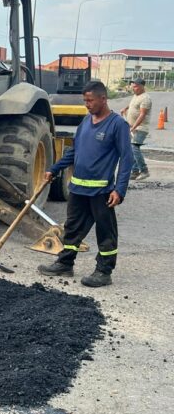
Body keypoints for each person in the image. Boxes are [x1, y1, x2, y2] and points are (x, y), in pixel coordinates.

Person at [38, 80, 133, 287]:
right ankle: (65, 263)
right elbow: (74, 151)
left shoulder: (118, 125)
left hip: (102, 191)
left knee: (105, 232)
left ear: (103, 99)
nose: (87, 104)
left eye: (90, 100)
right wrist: (54, 169)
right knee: (72, 228)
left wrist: (120, 189)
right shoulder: (85, 123)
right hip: (78, 188)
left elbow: (127, 159)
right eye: (85, 100)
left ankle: (104, 272)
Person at [120, 77, 152, 181]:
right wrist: (126, 108)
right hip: (132, 127)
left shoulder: (146, 98)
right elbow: (132, 104)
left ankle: (144, 171)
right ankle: (135, 172)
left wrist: (134, 126)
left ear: (142, 86)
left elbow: (142, 114)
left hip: (140, 128)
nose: (134, 88)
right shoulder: (136, 95)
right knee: (130, 149)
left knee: (134, 147)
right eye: (133, 86)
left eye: (136, 86)